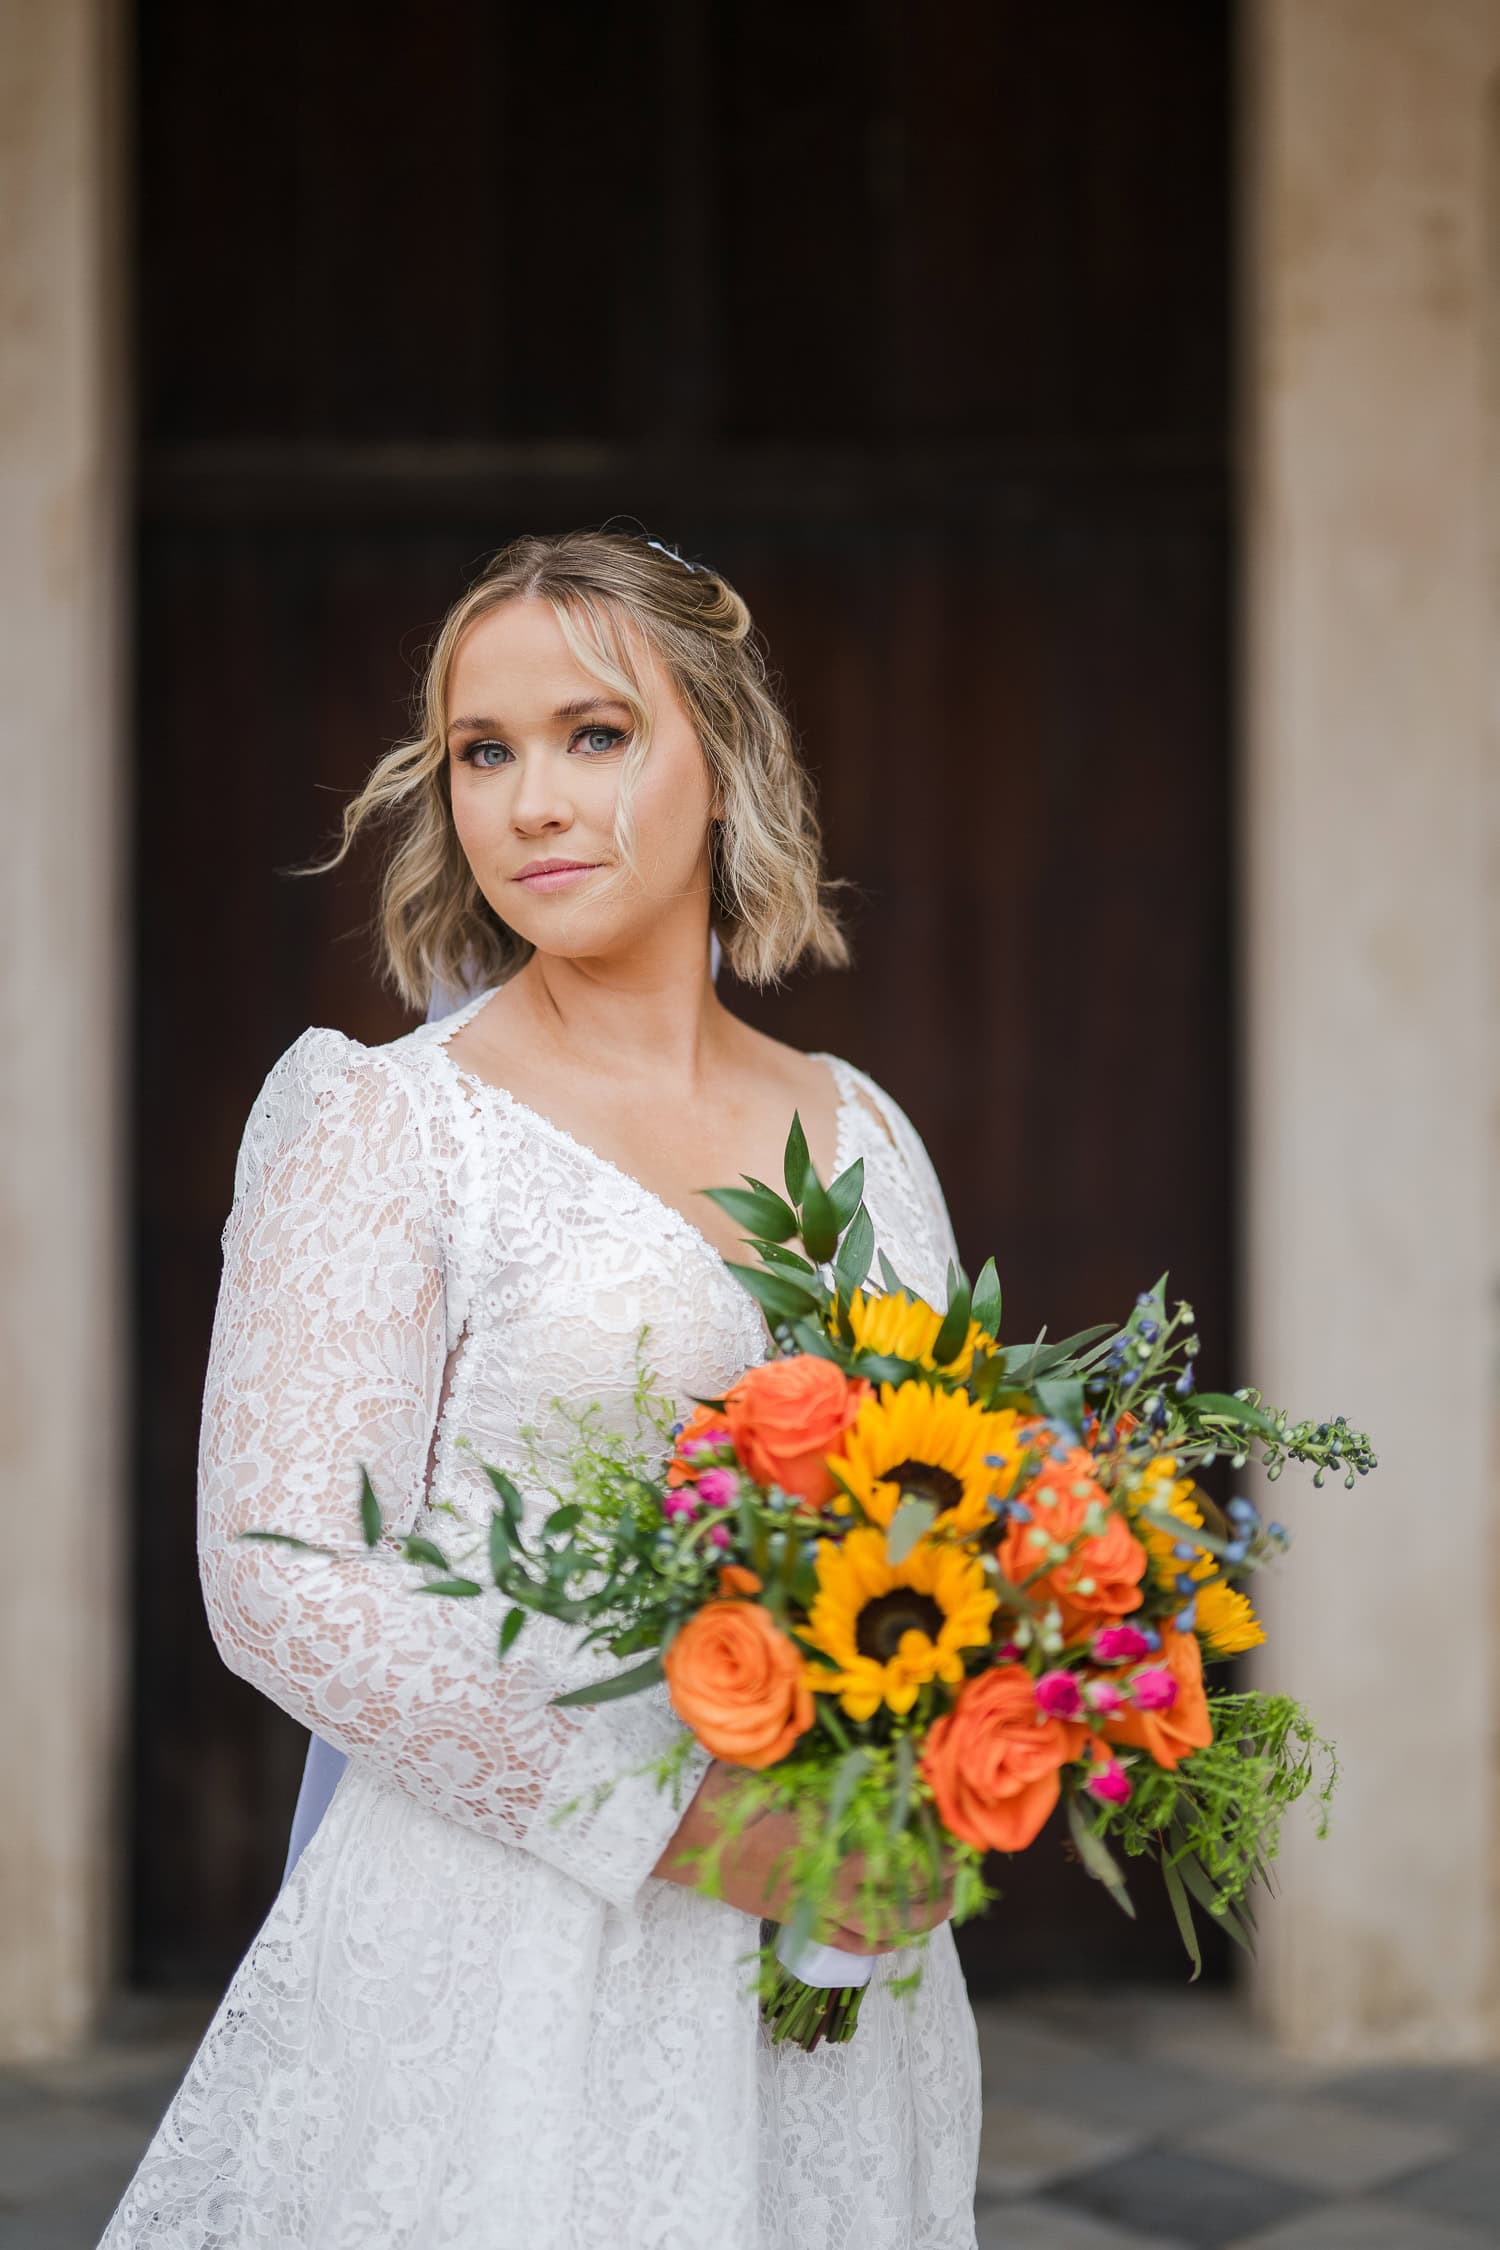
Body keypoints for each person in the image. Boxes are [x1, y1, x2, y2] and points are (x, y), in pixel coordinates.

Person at [99, 530, 983, 2248]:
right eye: (483, 752)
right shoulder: (386, 1122)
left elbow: (969, 1515)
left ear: (720, 752)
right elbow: (280, 1577)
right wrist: (677, 1814)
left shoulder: (864, 1123)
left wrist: (956, 1749)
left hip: (831, 1951)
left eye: (595, 734)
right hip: (504, 1956)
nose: (529, 801)